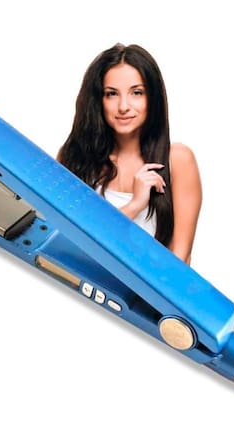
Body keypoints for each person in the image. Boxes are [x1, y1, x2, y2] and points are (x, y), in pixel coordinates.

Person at [57, 43, 202, 265]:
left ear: (152, 98)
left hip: (153, 286)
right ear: (98, 100)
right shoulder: (74, 160)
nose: (123, 106)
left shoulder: (178, 159)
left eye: (136, 93)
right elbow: (74, 241)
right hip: (85, 282)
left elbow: (180, 258)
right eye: (111, 94)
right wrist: (135, 205)